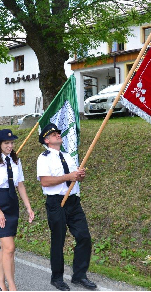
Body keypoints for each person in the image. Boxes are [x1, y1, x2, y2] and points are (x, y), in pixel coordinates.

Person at [36, 123, 97, 291]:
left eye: (58, 133)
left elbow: (75, 178)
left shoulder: (68, 156)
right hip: (56, 203)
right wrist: (68, 176)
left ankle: (79, 276)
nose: (58, 135)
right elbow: (45, 181)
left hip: (73, 201)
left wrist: (79, 176)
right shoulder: (44, 158)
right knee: (58, 240)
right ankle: (57, 278)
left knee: (84, 236)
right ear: (47, 140)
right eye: (54, 134)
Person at [0, 129, 34, 291]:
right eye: (6, 143)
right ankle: (12, 286)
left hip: (12, 205)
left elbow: (20, 185)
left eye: (11, 143)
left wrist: (28, 207)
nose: (10, 146)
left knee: (6, 248)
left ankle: (1, 280)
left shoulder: (16, 161)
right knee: (10, 247)